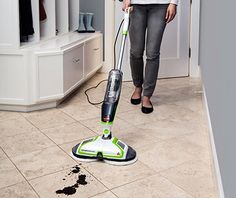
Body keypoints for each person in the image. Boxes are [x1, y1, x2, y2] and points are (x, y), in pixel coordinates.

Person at [123, 0, 178, 114]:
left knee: (152, 53)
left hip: (161, 5)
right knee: (136, 51)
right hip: (136, 4)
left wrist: (173, 2)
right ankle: (138, 87)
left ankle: (147, 95)